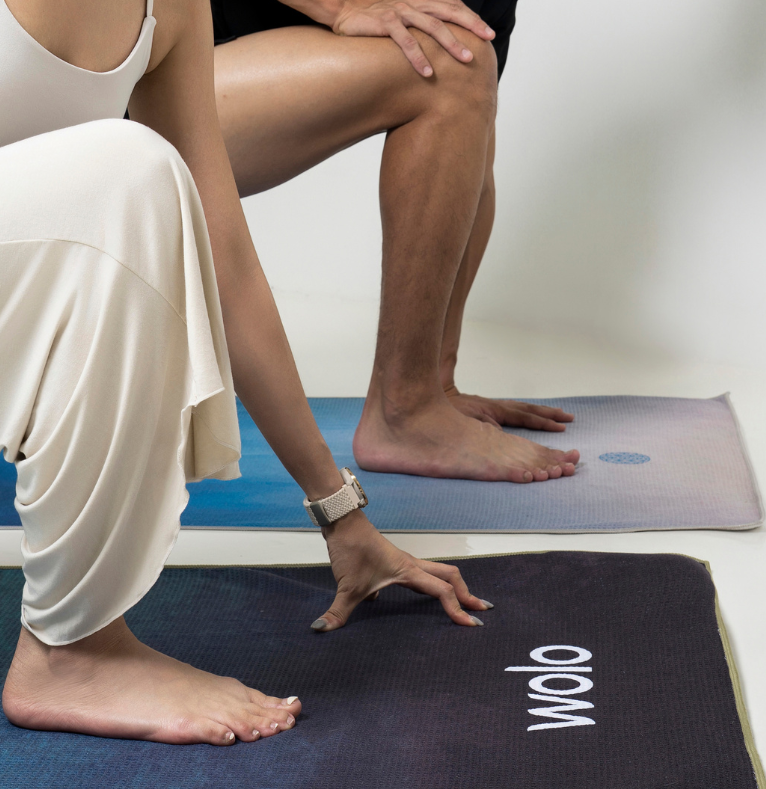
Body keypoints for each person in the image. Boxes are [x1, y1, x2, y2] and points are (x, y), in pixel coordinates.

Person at [0, 0, 493, 746]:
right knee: (128, 167)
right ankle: (77, 654)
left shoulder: (172, 10)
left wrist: (342, 515)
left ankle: (76, 639)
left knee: (150, 188)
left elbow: (226, 260)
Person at [211, 0, 581, 483]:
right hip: (112, 91)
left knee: (462, 56)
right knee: (452, 60)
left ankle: (426, 389)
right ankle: (403, 413)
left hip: (185, 74)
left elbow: (464, 146)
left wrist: (436, 380)